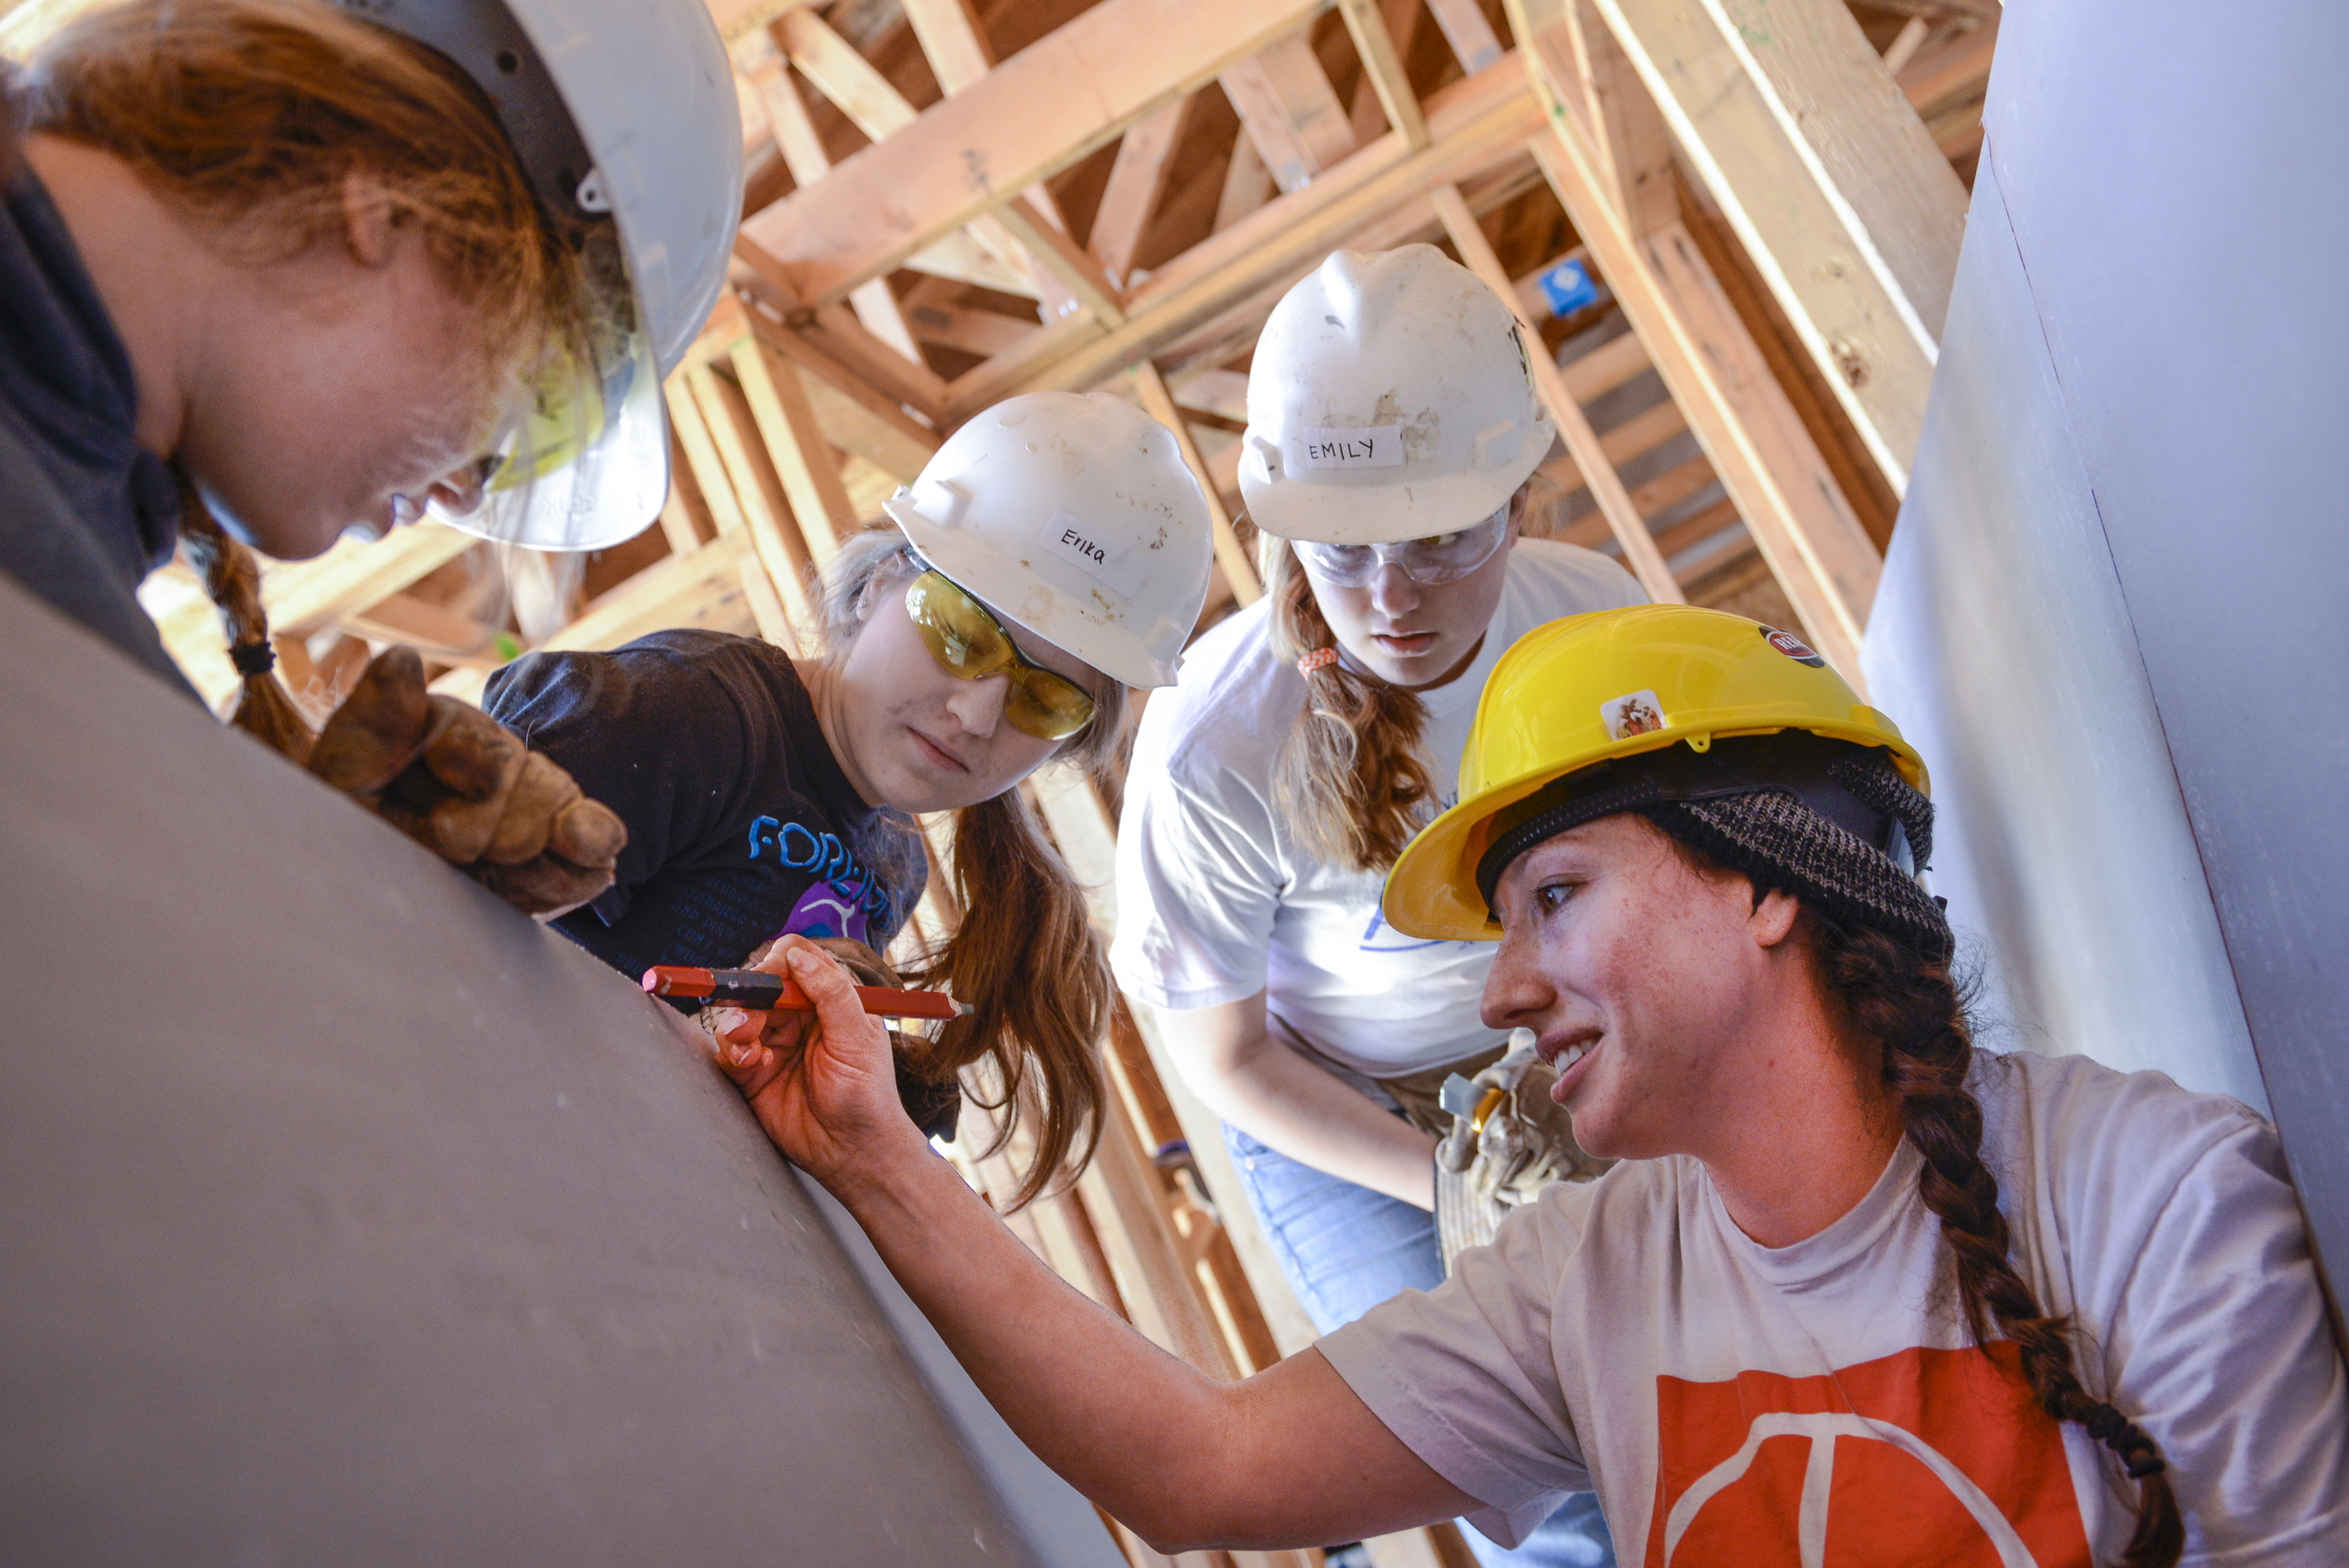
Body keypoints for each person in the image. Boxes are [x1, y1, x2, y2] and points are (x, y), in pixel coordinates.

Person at [708, 603, 2349, 1566]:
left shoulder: (2153, 1196)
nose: (1498, 992)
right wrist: (878, 1156)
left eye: (1552, 896)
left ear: (1766, 877)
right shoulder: (1589, 1274)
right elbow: (1203, 1465)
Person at [1112, 244, 1641, 1564]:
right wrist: (1454, 1190)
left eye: (1440, 541)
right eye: (1342, 553)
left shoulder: (1600, 627)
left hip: (1570, 1047)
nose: (1391, 597)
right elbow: (1226, 1054)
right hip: (1340, 1108)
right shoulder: (1215, 741)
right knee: (1533, 1468)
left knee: (1690, 1365)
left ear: (1519, 501)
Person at [0, 0, 740, 909]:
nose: (466, 490)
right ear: (386, 198)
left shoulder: (66, 530)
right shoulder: (45, 590)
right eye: (537, 396)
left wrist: (308, 867)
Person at [489, 391, 1216, 1199]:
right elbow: (459, 957)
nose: (976, 714)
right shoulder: (687, 714)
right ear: (876, 584)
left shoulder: (893, 856)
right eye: (960, 632)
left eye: (1044, 699)